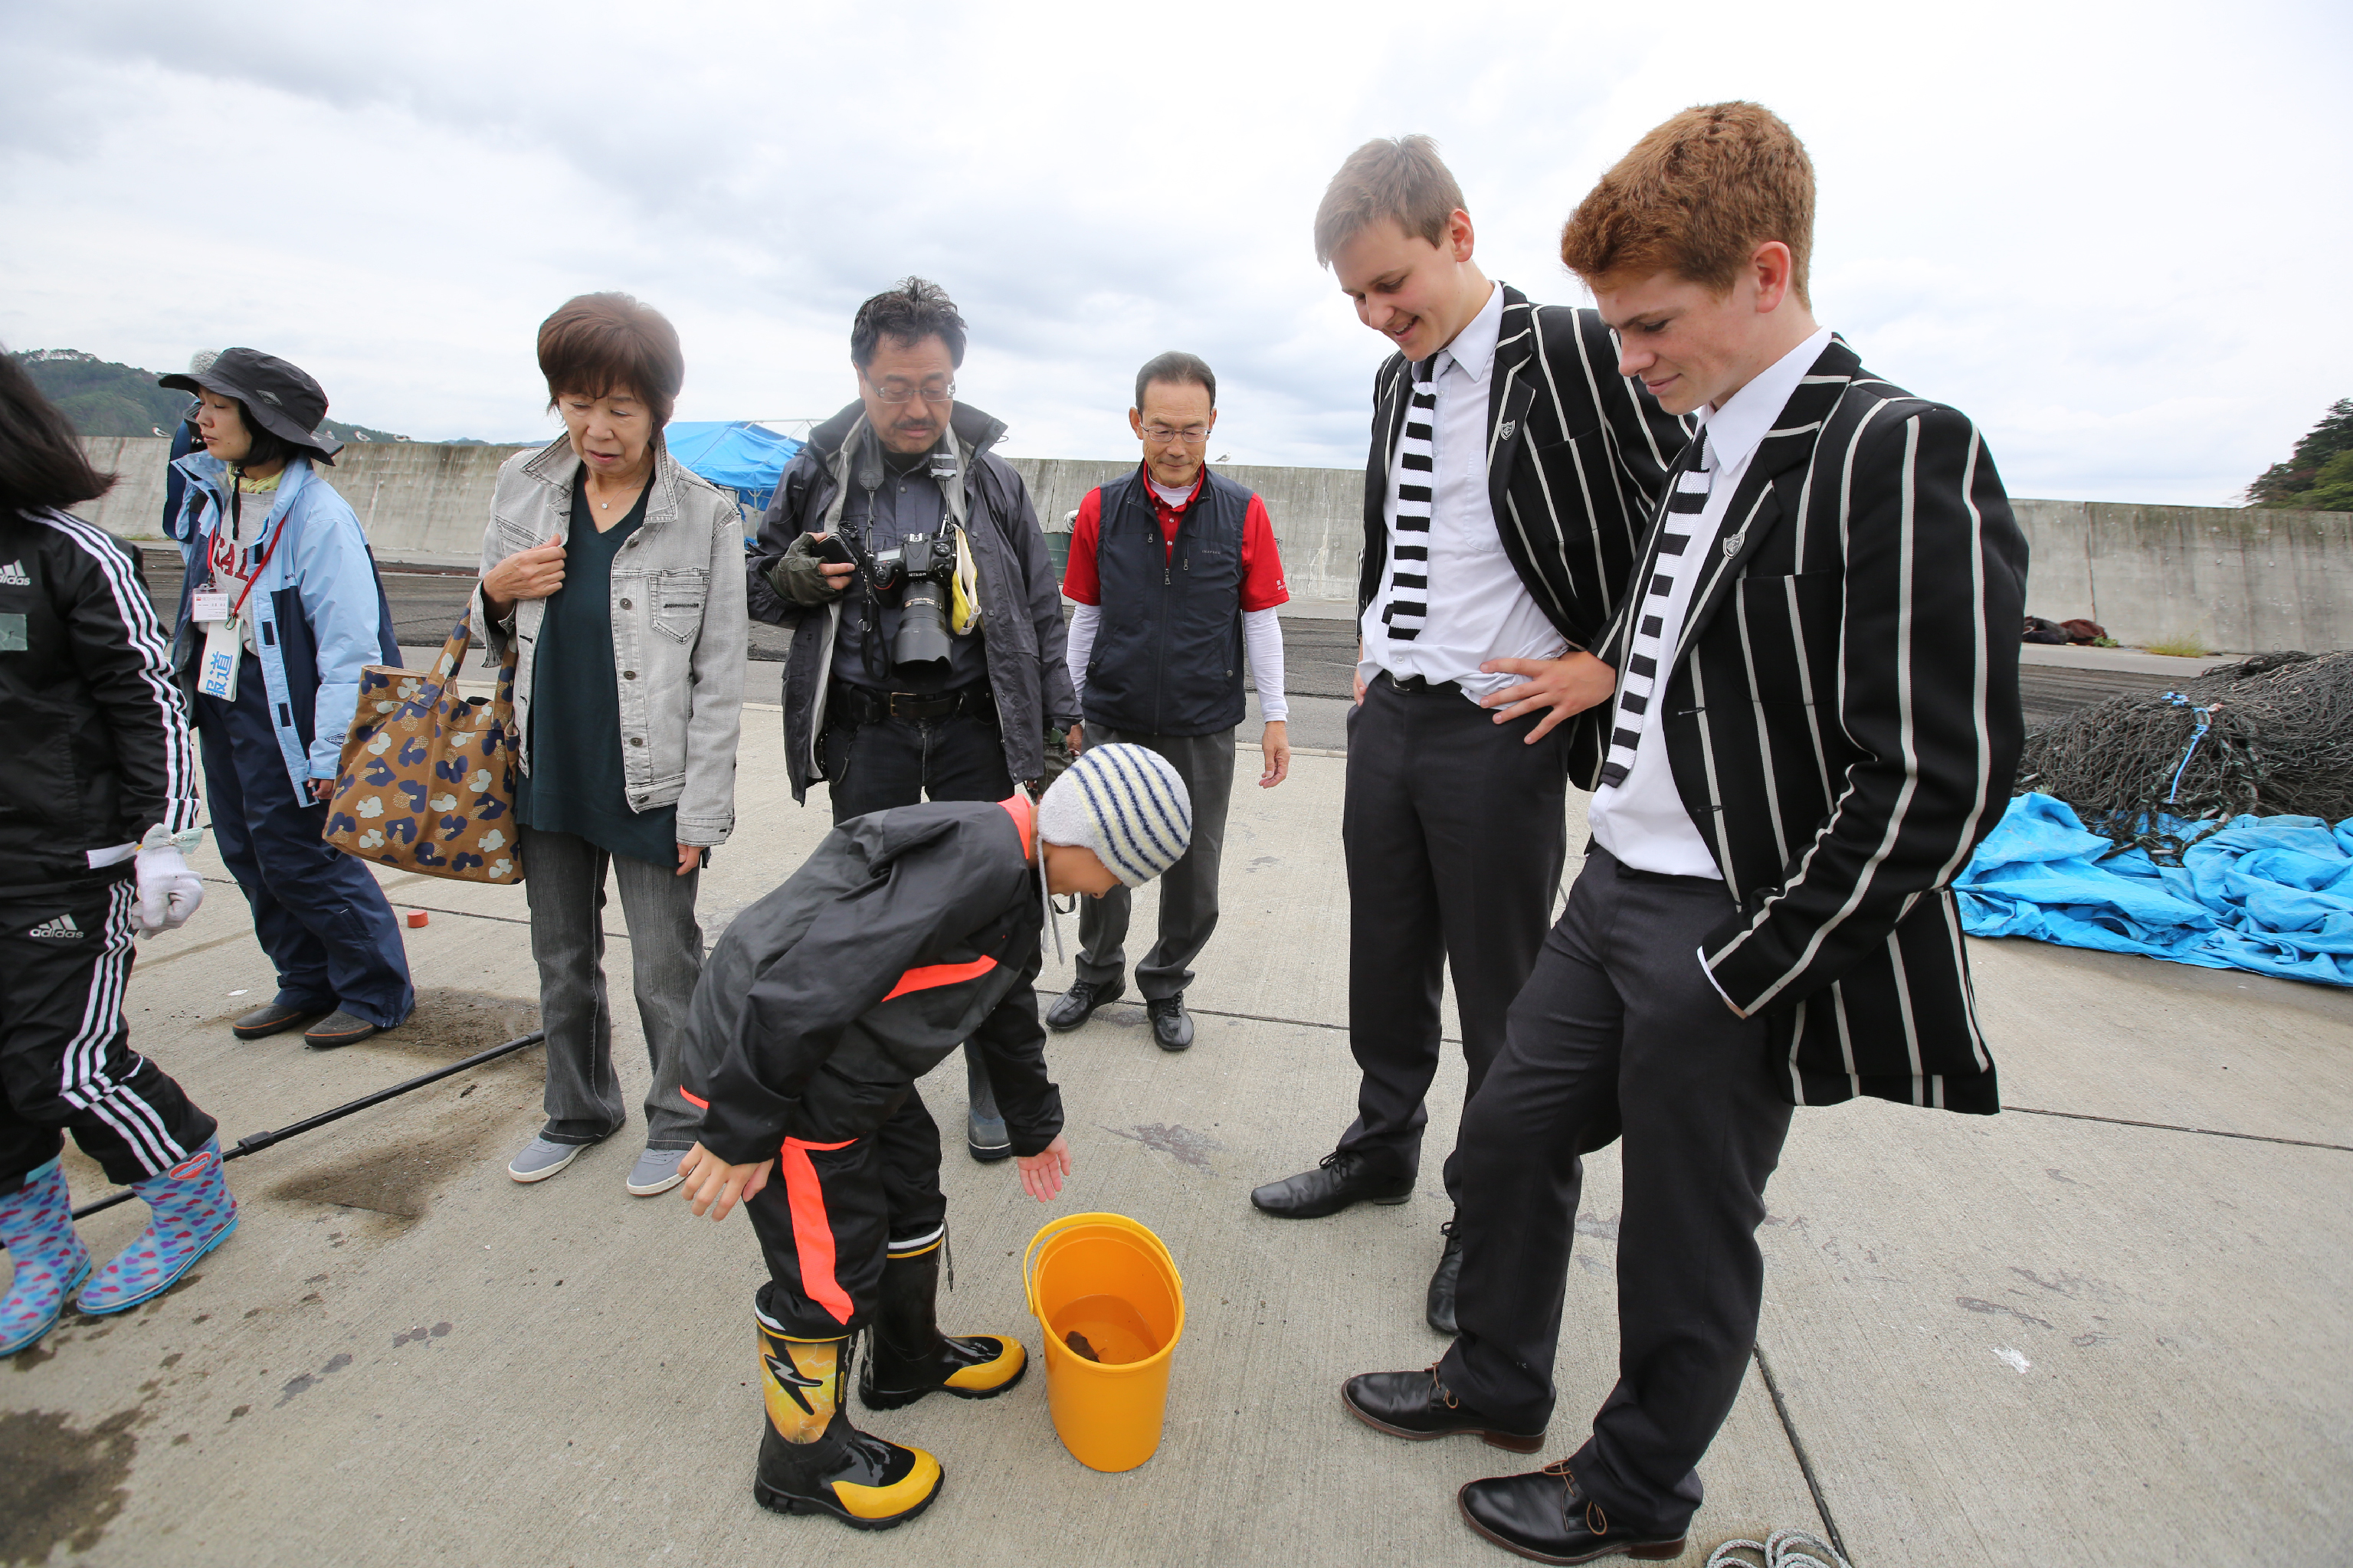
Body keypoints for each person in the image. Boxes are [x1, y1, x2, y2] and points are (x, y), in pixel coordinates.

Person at [1340, 103, 2027, 1564]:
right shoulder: (1703, 430)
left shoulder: (1895, 449)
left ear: (1765, 274)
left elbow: (1937, 778)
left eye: (1651, 324)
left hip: (1731, 924)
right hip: (1614, 886)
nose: (1630, 356)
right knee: (1506, 1135)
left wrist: (1754, 967)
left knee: (1684, 1227)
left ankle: (1636, 1487)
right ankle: (1499, 1373)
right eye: (1616, 328)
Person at [1250, 137, 1689, 1340]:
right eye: (1353, 295)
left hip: (1501, 722)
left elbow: (1685, 504)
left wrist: (1609, 659)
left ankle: (1486, 1218)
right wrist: (1372, 655)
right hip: (1391, 712)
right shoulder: (1394, 378)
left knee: (1505, 999)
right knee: (1383, 960)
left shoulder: (1572, 350)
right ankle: (1380, 1143)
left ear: (1456, 232)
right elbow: (1401, 527)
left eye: (1389, 283)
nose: (1374, 313)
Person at [671, 743, 1191, 1530]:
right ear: (1085, 839)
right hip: (778, 1073)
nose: (1110, 890)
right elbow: (809, 981)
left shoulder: (1018, 873)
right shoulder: (976, 865)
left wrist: (1033, 1125)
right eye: (1119, 873)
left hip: (850, 1062)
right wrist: (741, 1128)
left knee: (911, 1182)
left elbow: (1004, 1003)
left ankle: (905, 1358)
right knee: (825, 1270)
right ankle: (800, 1458)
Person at [747, 277, 1081, 1164]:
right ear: (861, 378)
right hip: (868, 733)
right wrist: (792, 577)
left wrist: (1058, 735)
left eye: (935, 386)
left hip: (977, 730)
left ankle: (992, 1082)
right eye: (895, 387)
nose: (917, 407)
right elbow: (757, 584)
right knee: (864, 922)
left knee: (994, 915)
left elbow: (1041, 615)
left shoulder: (993, 480)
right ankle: (876, 1093)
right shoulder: (816, 475)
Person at [474, 293, 747, 1198]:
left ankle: (681, 1118)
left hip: (651, 779)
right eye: (578, 403)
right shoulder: (522, 484)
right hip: (548, 763)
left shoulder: (704, 514)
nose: (597, 428)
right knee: (560, 959)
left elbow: (719, 677)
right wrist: (495, 591)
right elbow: (487, 634)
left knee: (666, 967)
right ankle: (578, 1108)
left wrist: (701, 812)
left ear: (660, 408)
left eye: (620, 408)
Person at [0, 351, 237, 1357]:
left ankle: (189, 1193)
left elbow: (150, 704)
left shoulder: (71, 556)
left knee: (64, 1062)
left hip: (68, 862)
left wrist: (165, 840)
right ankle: (39, 1250)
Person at [159, 348, 414, 1048]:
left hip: (291, 710)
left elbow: (351, 647)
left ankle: (374, 989)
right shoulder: (217, 493)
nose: (201, 419)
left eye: (219, 406)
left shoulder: (318, 517)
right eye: (201, 405)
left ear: (263, 421)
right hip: (226, 691)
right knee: (245, 849)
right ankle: (304, 980)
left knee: (301, 854)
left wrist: (332, 750)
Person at [1045, 352, 1293, 1050]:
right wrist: (1069, 708)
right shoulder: (1101, 509)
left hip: (1201, 722)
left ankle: (1166, 981)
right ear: (1136, 423)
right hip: (1113, 715)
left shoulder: (1243, 511)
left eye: (1190, 429)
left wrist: (1275, 716)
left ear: (1212, 423)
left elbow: (1260, 621)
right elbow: (1085, 615)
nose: (1176, 445)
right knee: (1098, 853)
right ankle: (1097, 974)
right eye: (1161, 428)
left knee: (1194, 867)